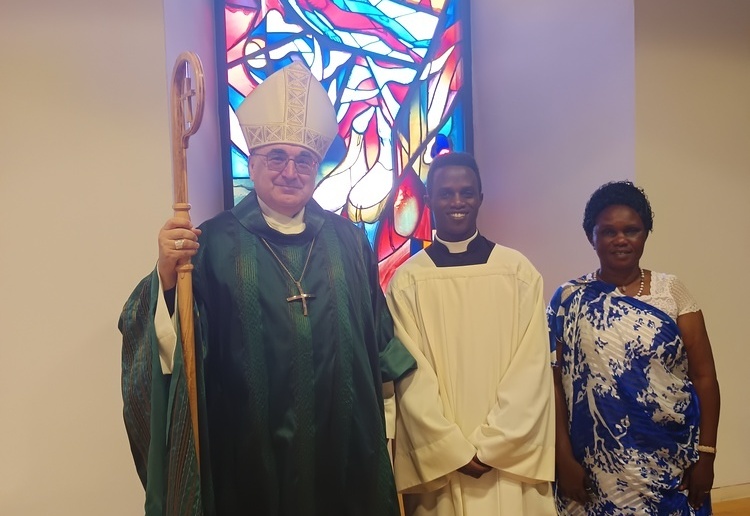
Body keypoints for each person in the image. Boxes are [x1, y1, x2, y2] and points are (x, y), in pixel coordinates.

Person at [119, 61, 416, 516]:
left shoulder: (349, 242)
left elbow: (378, 344)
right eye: (276, 157)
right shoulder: (210, 244)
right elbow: (174, 345)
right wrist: (166, 275)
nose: (290, 171)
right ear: (253, 163)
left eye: (304, 160)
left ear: (317, 168)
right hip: (246, 457)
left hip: (344, 454)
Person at [385, 152, 556, 515]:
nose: (457, 202)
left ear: (480, 197)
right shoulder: (408, 281)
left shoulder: (517, 272)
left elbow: (532, 369)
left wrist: (496, 444)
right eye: (446, 193)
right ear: (429, 199)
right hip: (443, 465)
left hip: (509, 462)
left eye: (466, 192)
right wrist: (450, 449)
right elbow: (410, 374)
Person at [548, 181, 720, 515]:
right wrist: (562, 457)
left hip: (672, 462)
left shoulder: (672, 293)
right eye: (608, 231)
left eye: (631, 230)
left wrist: (707, 454)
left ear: (645, 233)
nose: (621, 239)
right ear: (591, 236)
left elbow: (704, 377)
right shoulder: (568, 299)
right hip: (595, 468)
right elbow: (553, 383)